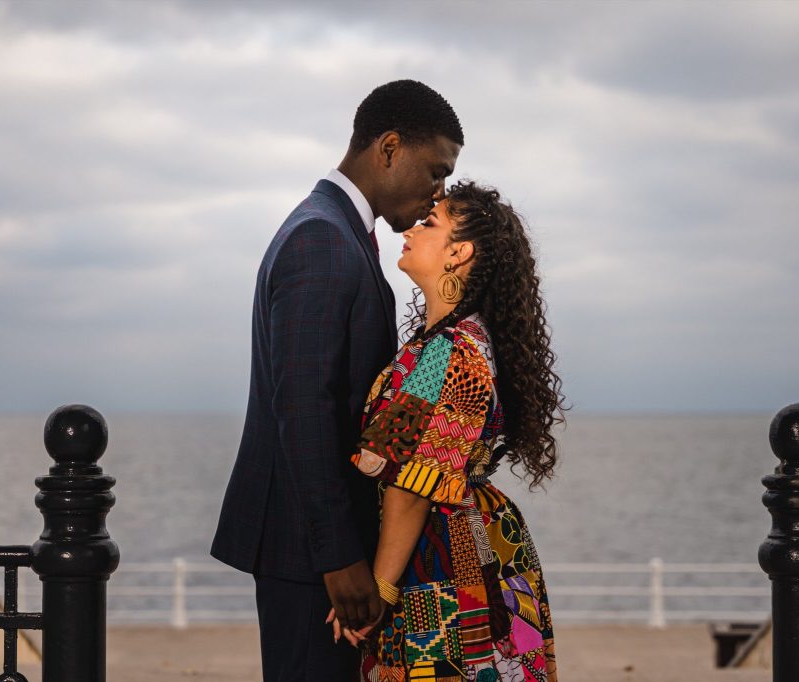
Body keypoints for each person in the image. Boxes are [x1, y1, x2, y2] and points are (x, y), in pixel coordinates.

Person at [210, 79, 464, 681]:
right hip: (309, 555)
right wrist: (339, 557)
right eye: (436, 171)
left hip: (314, 548)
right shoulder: (322, 238)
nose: (438, 193)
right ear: (390, 148)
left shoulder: (337, 231)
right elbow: (304, 407)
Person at [330, 181, 565, 681]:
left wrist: (378, 591)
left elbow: (413, 487)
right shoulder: (461, 338)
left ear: (459, 253)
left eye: (429, 223)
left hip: (439, 561)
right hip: (476, 544)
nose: (411, 230)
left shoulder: (448, 350)